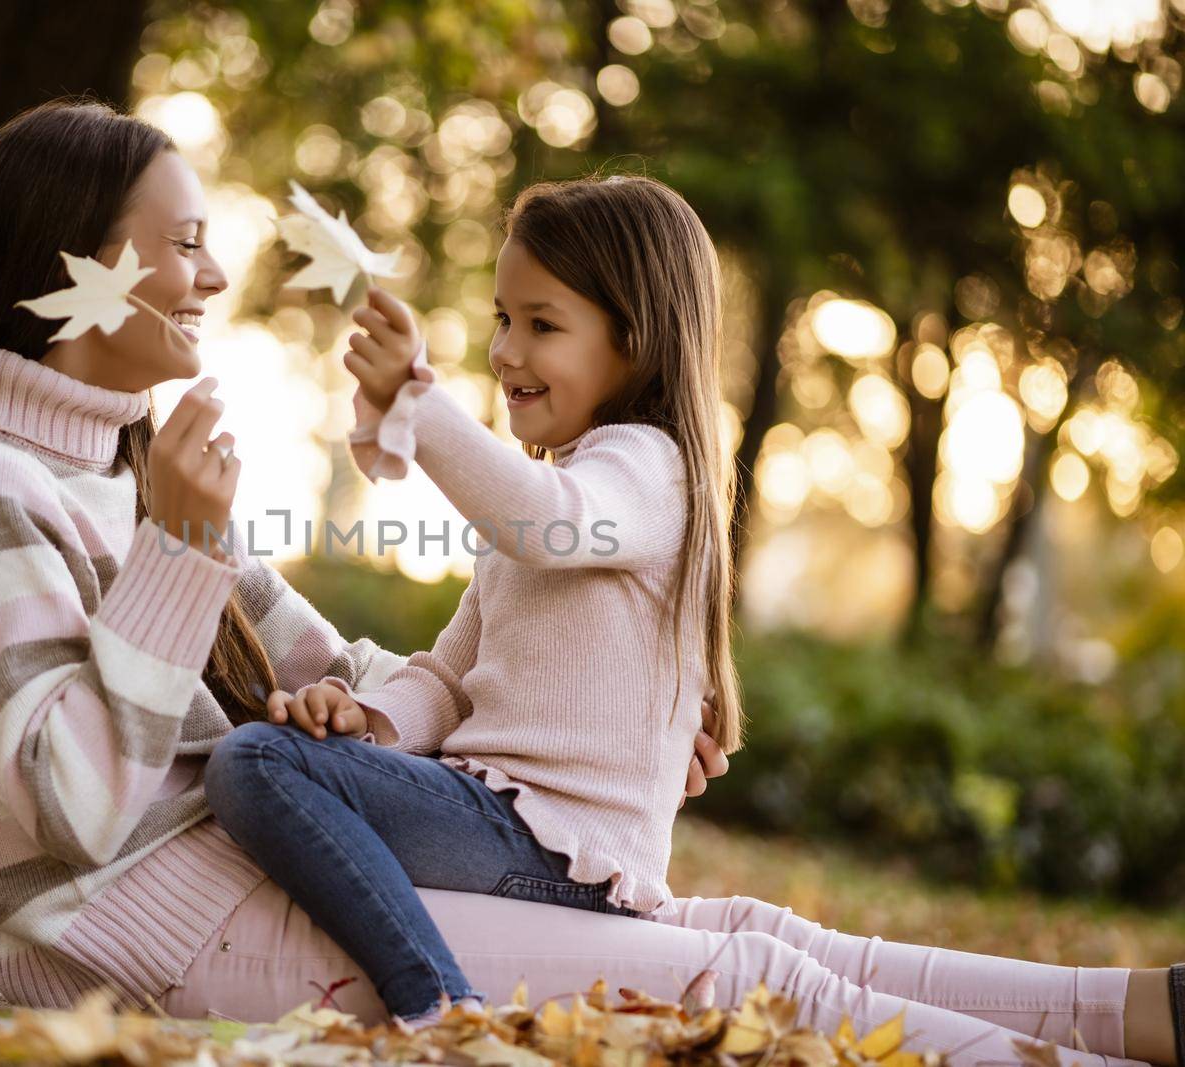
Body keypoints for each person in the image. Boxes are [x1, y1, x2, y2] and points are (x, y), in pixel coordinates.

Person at [202, 175, 1183, 1066]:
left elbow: (544, 526)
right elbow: (449, 672)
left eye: (542, 324)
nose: (505, 351)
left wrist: (419, 404)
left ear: (634, 336)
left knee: (252, 764)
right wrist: (366, 721)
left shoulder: (643, 468)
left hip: (541, 840)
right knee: (284, 755)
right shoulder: (552, 500)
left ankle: (435, 1006)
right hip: (501, 825)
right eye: (503, 318)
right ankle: (1140, 1016)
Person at [0, 99, 726, 1029]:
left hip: (242, 890)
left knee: (742, 949)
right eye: (189, 241)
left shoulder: (123, 469)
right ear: (76, 263)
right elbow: (75, 806)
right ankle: (439, 1026)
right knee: (720, 979)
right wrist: (176, 553)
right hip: (164, 936)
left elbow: (326, 672)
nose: (218, 271)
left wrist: (609, 711)